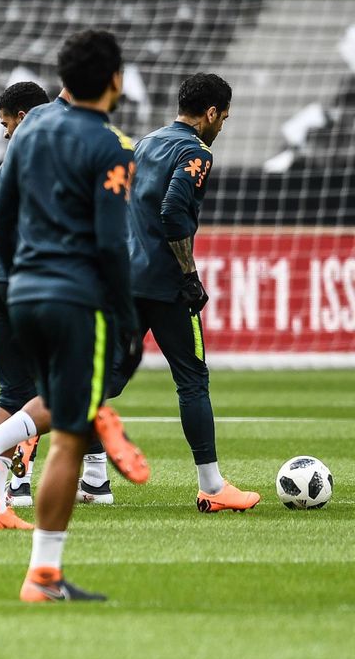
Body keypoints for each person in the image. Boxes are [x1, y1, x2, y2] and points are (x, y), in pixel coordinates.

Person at [0, 29, 151, 602]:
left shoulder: (28, 133)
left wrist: (20, 270)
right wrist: (127, 319)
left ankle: (92, 412)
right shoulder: (110, 147)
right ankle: (43, 575)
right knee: (68, 439)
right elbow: (110, 244)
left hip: (23, 293)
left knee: (62, 403)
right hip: (77, 295)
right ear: (115, 81)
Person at [105, 72, 260, 513]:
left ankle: (19, 432)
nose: (221, 127)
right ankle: (211, 486)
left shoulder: (145, 143)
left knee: (108, 378)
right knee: (192, 379)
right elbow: (173, 211)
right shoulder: (196, 151)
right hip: (167, 285)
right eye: (223, 118)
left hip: (128, 278)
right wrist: (189, 274)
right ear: (211, 113)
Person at [0, 81, 54, 531]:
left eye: (5, 124)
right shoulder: (50, 139)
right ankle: (92, 479)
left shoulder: (25, 146)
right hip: (29, 279)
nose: (5, 134)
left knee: (14, 390)